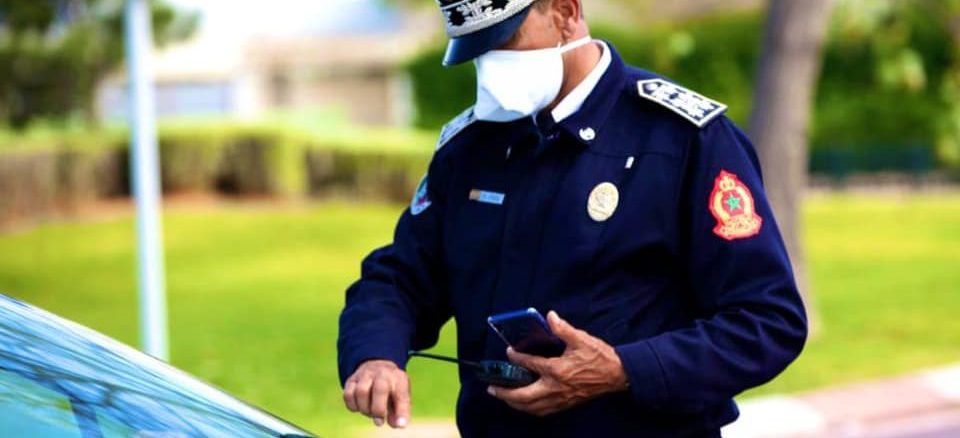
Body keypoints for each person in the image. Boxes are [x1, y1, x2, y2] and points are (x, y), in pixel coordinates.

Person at [337, 0, 808, 436]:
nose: (492, 67)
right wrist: (376, 354)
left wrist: (624, 370)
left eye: (505, 40)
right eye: (478, 50)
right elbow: (399, 278)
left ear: (565, 12)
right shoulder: (472, 148)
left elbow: (767, 320)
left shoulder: (683, 140)